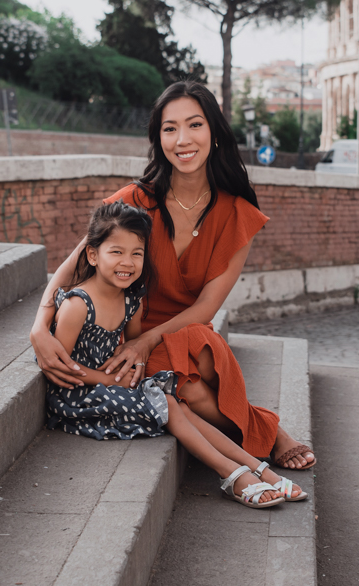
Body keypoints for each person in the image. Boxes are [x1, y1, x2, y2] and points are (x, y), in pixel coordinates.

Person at [30, 80, 317, 472]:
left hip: (182, 329)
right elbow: (73, 267)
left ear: (214, 132)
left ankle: (255, 435)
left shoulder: (237, 214)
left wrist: (147, 343)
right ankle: (269, 433)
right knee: (193, 390)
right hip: (125, 329)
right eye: (170, 128)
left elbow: (207, 307)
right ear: (158, 138)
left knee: (201, 352)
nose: (182, 139)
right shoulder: (134, 200)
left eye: (194, 125)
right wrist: (38, 328)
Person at [46, 200, 303, 507]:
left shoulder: (131, 301)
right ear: (92, 254)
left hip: (111, 380)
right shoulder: (77, 305)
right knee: (168, 402)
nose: (127, 262)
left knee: (178, 402)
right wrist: (109, 379)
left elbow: (132, 346)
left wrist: (132, 371)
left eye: (136, 254)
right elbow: (63, 365)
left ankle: (259, 468)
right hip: (78, 394)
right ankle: (233, 475)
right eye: (116, 252)